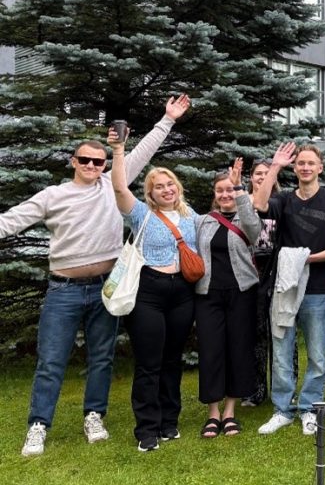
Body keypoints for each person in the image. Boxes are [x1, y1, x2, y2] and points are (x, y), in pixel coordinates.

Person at [4, 95, 188, 456]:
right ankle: (38, 425)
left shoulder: (112, 184)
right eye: (85, 160)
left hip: (107, 288)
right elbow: (11, 220)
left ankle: (94, 417)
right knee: (51, 361)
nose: (92, 165)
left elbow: (143, 151)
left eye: (98, 161)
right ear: (74, 162)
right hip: (64, 291)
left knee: (101, 358)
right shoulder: (53, 195)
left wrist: (167, 119)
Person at [252, 142, 325, 436]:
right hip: (285, 287)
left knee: (318, 355)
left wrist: (306, 259)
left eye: (311, 163)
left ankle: (309, 408)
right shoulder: (284, 200)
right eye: (301, 164)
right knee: (282, 352)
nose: (306, 167)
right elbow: (259, 205)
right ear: (295, 169)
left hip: (318, 290)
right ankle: (282, 410)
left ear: (320, 168)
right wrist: (275, 166)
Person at [108, 133, 199, 452]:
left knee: (172, 360)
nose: (166, 189)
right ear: (150, 192)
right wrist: (118, 150)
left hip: (182, 294)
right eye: (159, 186)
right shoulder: (140, 214)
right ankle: (146, 429)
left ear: (178, 188)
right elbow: (118, 187)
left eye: (170, 184)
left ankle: (169, 422)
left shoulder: (192, 217)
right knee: (149, 362)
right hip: (149, 293)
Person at [193, 159, 263, 438]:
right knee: (211, 350)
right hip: (207, 294)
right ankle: (212, 412)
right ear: (214, 193)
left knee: (238, 348)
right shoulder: (202, 221)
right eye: (220, 190)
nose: (225, 195)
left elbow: (254, 230)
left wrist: (240, 189)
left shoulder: (245, 218)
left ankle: (230, 410)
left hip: (241, 293)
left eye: (230, 190)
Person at [241, 159, 279, 408]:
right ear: (251, 177)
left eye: (267, 174)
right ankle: (255, 390)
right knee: (254, 334)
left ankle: (282, 389)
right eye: (258, 173)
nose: (262, 177)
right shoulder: (241, 203)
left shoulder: (280, 204)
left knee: (279, 333)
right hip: (248, 273)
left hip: (275, 272)